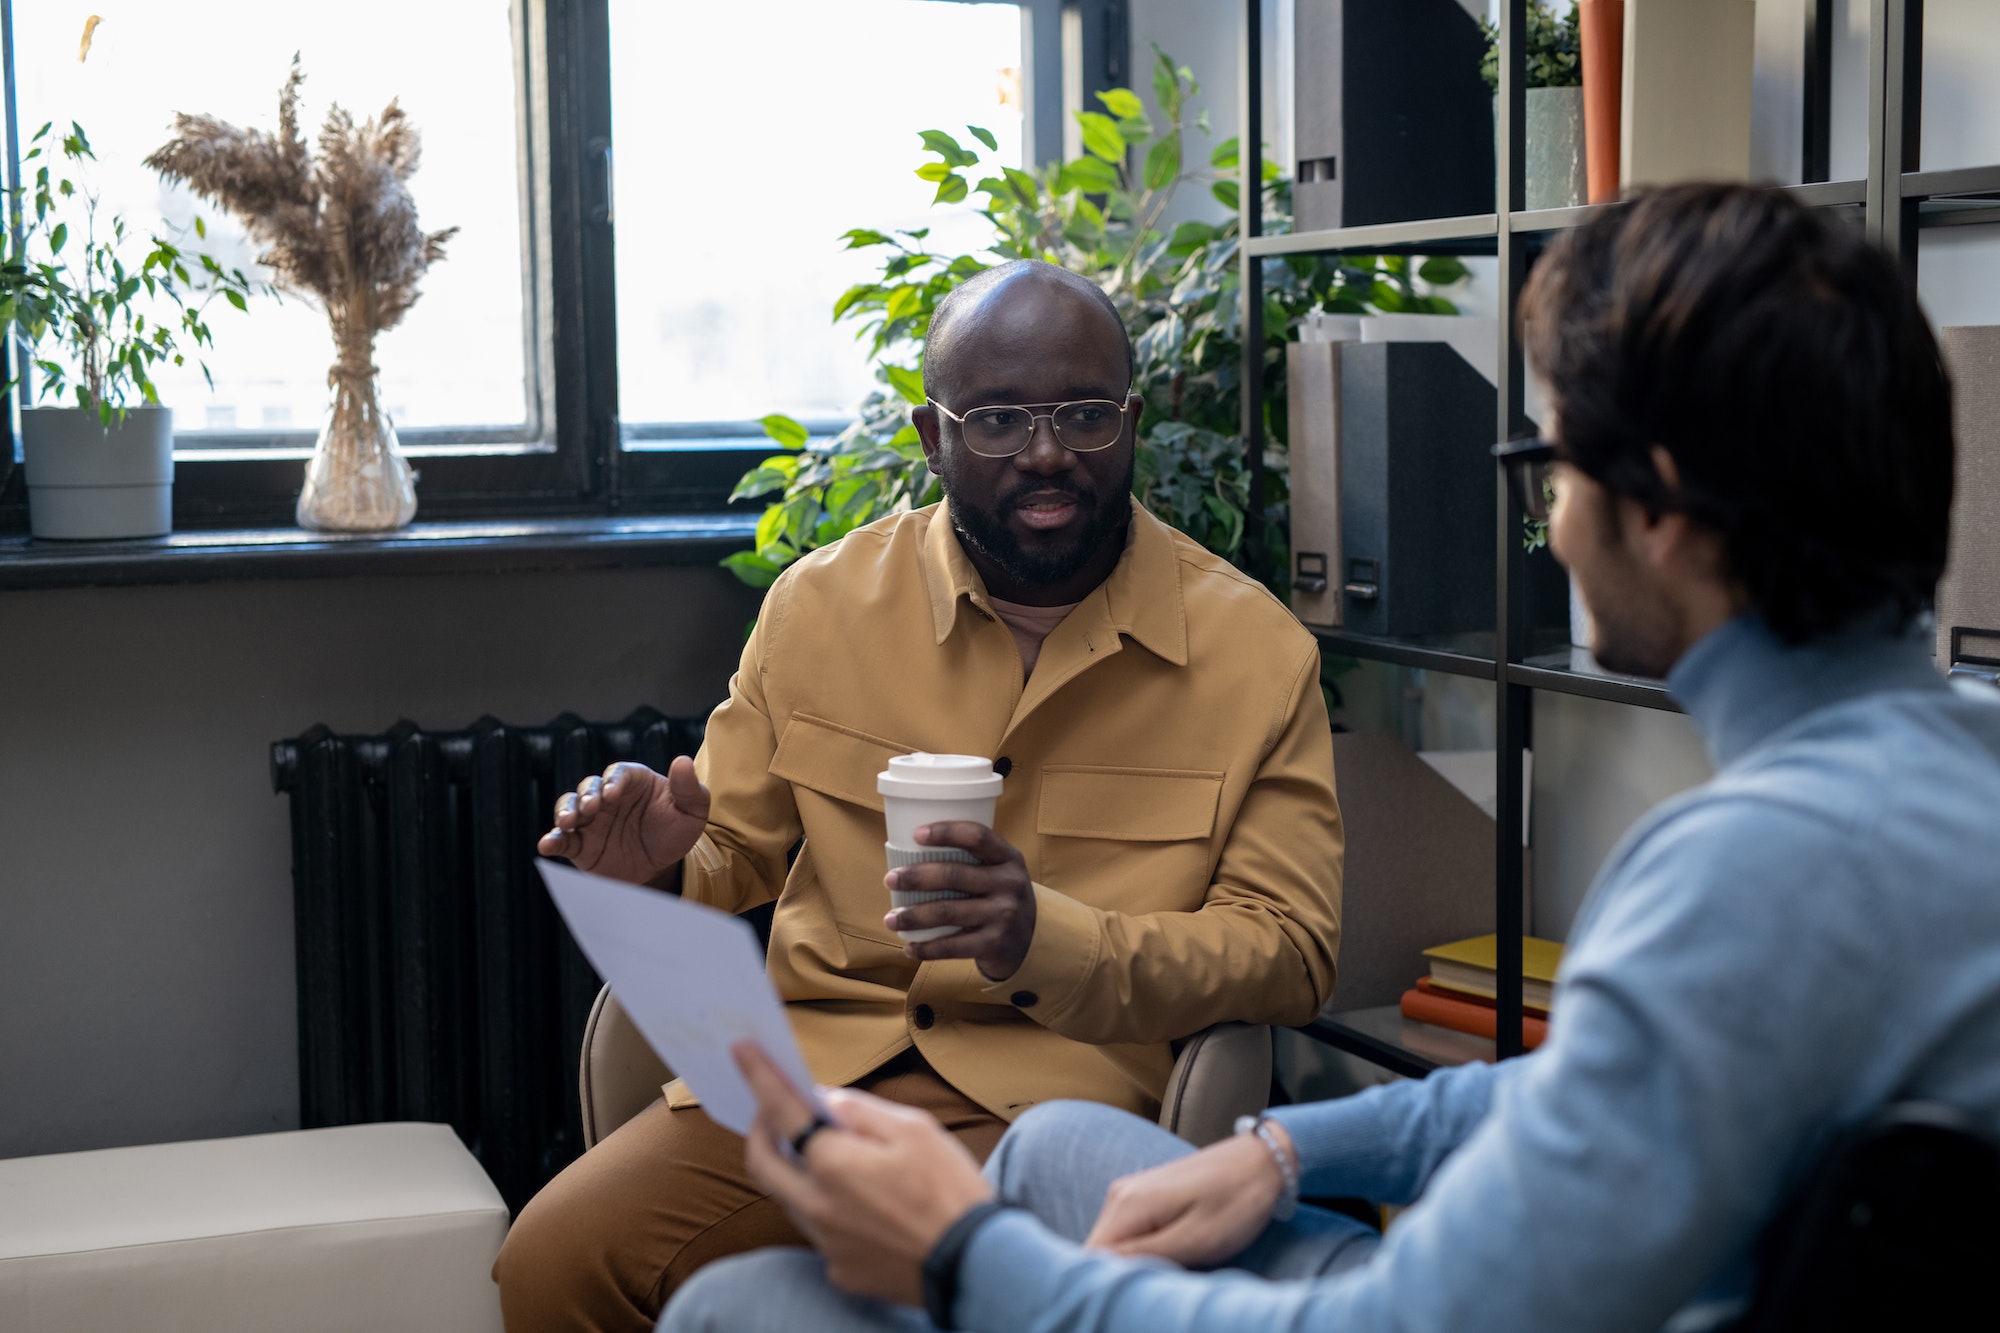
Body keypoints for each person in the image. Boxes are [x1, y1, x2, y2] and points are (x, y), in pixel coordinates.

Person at [657, 182, 2000, 1333]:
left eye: (1552, 460)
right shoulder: (1948, 775)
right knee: (1065, 1145)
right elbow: (1625, 1081)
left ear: (1651, 508)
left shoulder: (1750, 870)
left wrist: (964, 1256)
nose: (1551, 512)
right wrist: (1300, 1139)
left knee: (738, 1307)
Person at [492, 260, 1344, 1331]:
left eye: (1082, 414)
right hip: (806, 1089)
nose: (1045, 453)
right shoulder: (820, 607)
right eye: (994, 419)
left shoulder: (1252, 652)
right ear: (931, 436)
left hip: (1050, 1106)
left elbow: (1289, 950)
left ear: (1130, 421)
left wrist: (1043, 936)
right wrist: (654, 870)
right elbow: (731, 855)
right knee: (554, 1261)